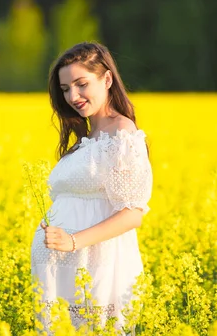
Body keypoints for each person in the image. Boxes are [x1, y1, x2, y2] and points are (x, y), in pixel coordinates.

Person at [30, 42, 153, 334]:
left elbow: (132, 213)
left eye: (81, 84)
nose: (73, 96)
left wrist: (73, 241)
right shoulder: (87, 135)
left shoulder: (121, 133)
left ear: (107, 79)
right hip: (63, 273)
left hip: (96, 270)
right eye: (64, 89)